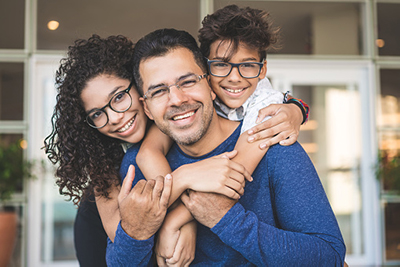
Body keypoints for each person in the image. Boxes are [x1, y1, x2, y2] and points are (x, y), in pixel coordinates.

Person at [44, 34, 304, 265]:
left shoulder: (172, 123)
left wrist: (296, 108)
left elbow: (258, 97)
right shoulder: (106, 167)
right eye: (98, 113)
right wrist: (184, 181)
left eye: (119, 97)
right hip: (97, 238)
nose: (114, 117)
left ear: (138, 87)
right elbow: (125, 234)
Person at [106, 28, 346, 266]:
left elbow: (330, 256)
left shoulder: (273, 144)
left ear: (210, 85)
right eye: (158, 91)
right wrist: (136, 230)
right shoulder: (135, 166)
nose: (177, 99)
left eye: (188, 81)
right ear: (147, 108)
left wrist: (227, 219)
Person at [135, 5, 309, 263]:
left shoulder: (264, 107)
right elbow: (148, 152)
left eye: (248, 65)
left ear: (262, 70)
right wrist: (183, 178)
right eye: (221, 65)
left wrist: (175, 221)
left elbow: (232, 173)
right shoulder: (190, 100)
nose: (234, 78)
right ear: (206, 68)